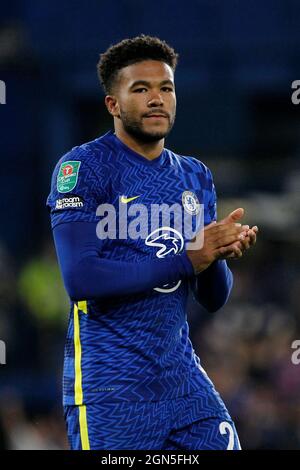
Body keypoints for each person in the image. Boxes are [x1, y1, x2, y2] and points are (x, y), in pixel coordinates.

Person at [46, 35, 258, 450]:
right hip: (111, 391)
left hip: (183, 384)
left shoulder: (195, 175)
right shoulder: (83, 166)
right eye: (140, 89)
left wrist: (216, 256)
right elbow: (81, 278)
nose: (157, 99)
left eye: (166, 87)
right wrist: (189, 258)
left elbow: (213, 298)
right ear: (113, 104)